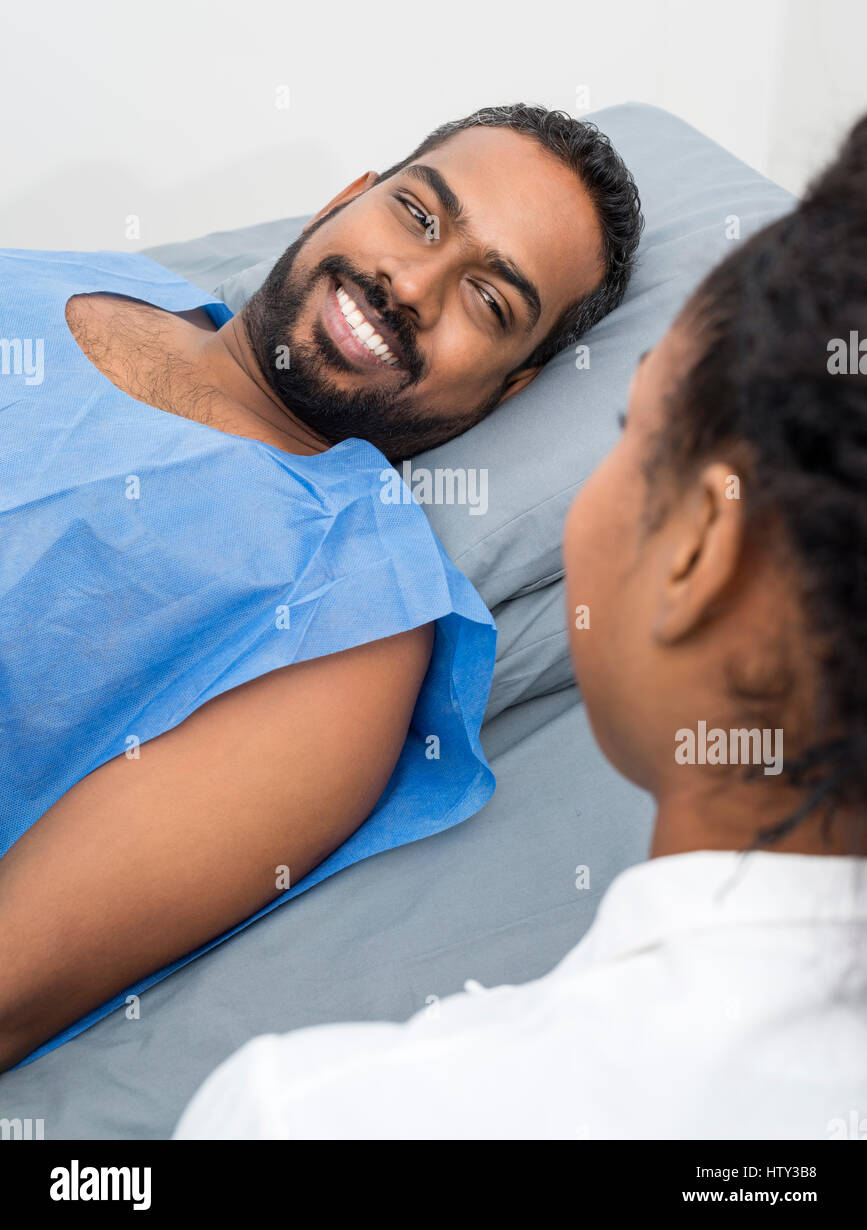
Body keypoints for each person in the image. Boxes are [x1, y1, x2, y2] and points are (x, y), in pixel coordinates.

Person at [174, 114, 867, 1141]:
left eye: (632, 434)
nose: (407, 284)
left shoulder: (319, 1114)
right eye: (413, 212)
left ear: (695, 551)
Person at [0, 105, 642, 1070]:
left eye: (489, 302)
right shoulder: (57, 280)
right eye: (419, 217)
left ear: (509, 390)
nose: (411, 283)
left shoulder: (351, 620)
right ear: (346, 199)